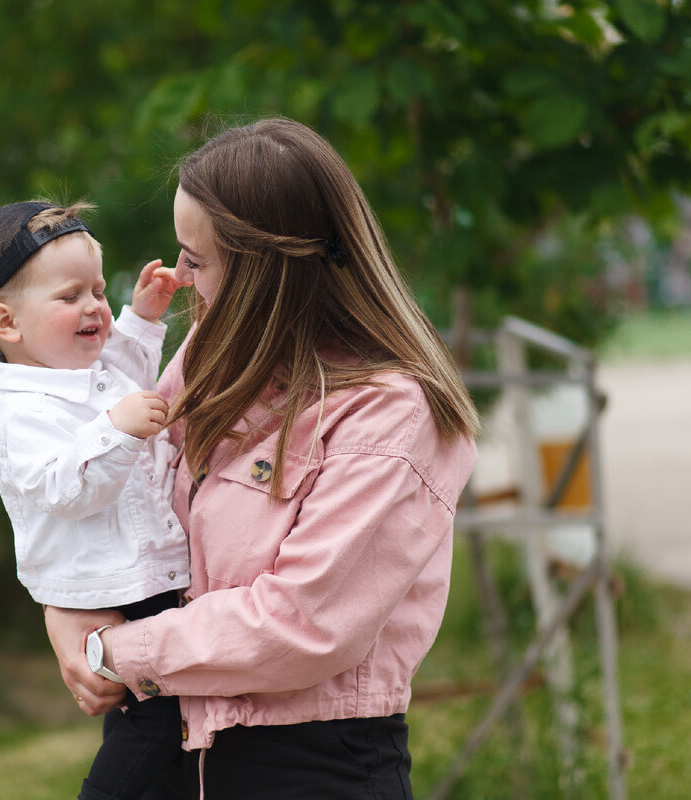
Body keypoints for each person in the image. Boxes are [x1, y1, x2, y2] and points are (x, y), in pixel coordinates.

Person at [43, 117, 480, 799]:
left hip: (311, 767)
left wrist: (117, 651)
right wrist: (66, 607)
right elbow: (132, 495)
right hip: (174, 742)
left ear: (263, 272)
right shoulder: (215, 355)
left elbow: (302, 625)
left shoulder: (392, 413)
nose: (181, 276)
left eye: (197, 258)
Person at [0, 200, 192, 800]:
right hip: (109, 585)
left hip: (142, 575)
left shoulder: (89, 368)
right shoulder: (22, 411)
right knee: (157, 716)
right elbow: (65, 490)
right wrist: (117, 428)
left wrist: (142, 317)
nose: (94, 307)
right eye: (70, 297)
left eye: (97, 290)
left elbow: (131, 375)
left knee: (151, 718)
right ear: (7, 324)